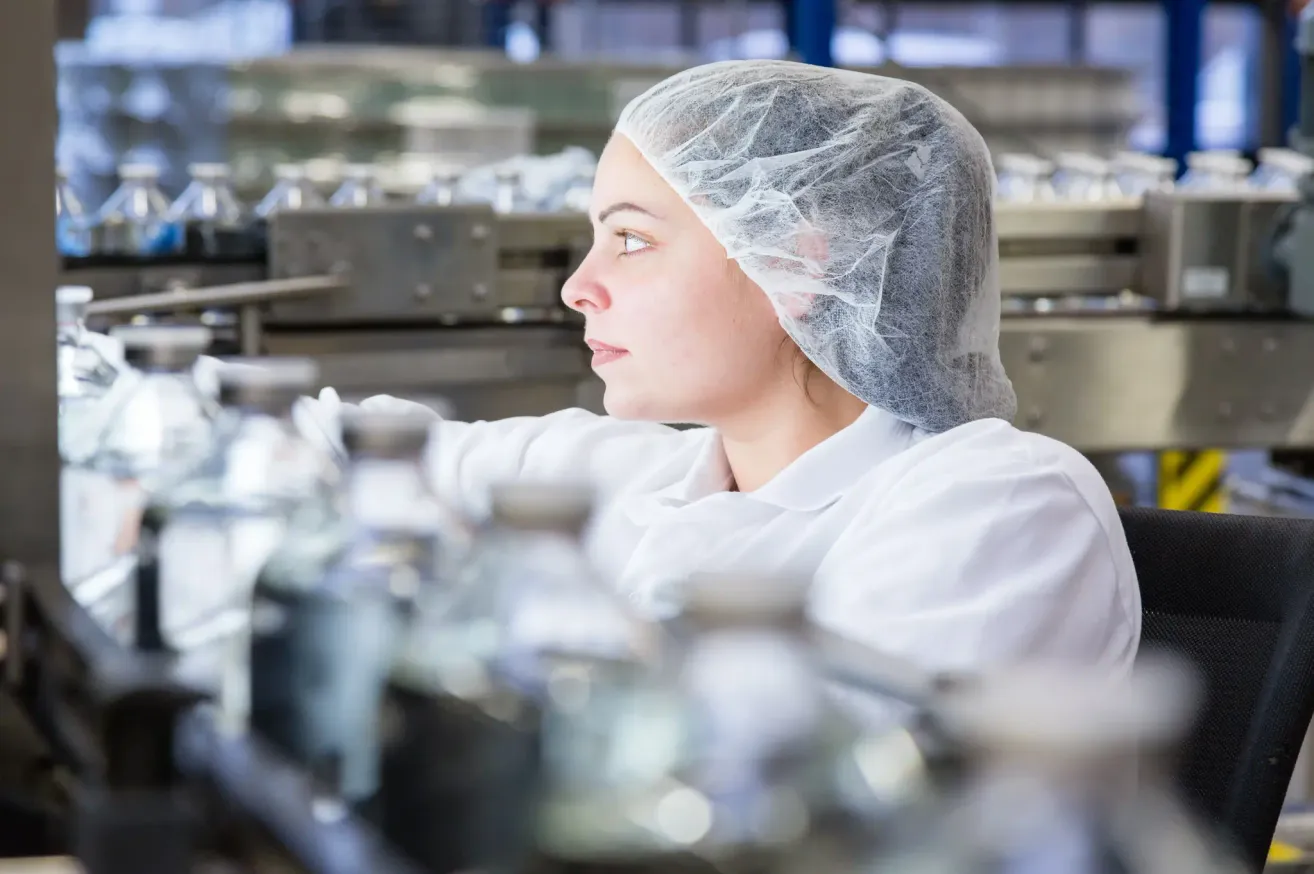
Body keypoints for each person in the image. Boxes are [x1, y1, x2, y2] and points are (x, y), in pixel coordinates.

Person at [320, 62, 1143, 683]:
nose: (578, 287)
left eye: (631, 240)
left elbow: (797, 803)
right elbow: (335, 447)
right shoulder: (644, 471)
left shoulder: (998, 501)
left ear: (792, 261)